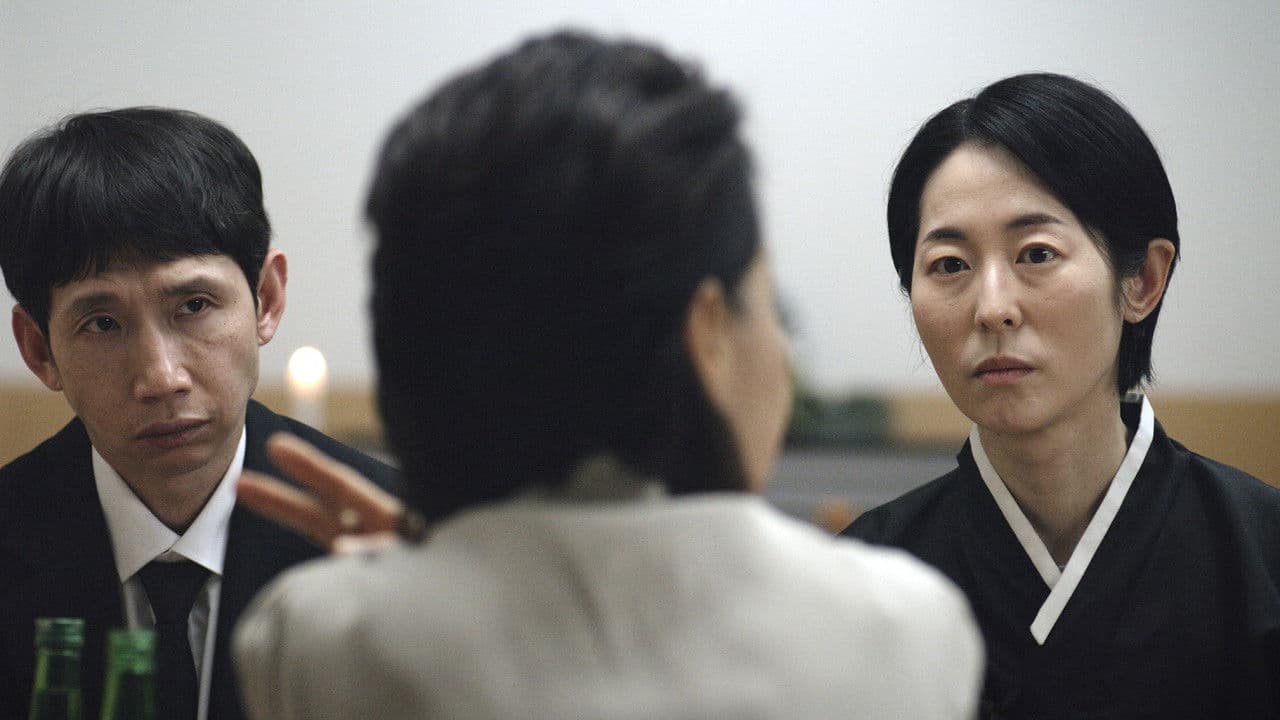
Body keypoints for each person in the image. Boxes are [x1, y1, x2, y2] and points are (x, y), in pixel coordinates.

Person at [231, 31, 983, 719]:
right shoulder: (901, 633)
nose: (779, 350)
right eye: (762, 298)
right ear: (708, 328)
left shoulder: (320, 642)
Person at [843, 73, 1280, 718]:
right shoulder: (863, 583)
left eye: (1037, 254)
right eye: (950, 265)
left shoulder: (1262, 555)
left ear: (1142, 280)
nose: (993, 308)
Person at [0, 108, 399, 720]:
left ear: (266, 299)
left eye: (193, 305)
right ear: (38, 350)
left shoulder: (393, 543)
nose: (161, 378)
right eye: (102, 324)